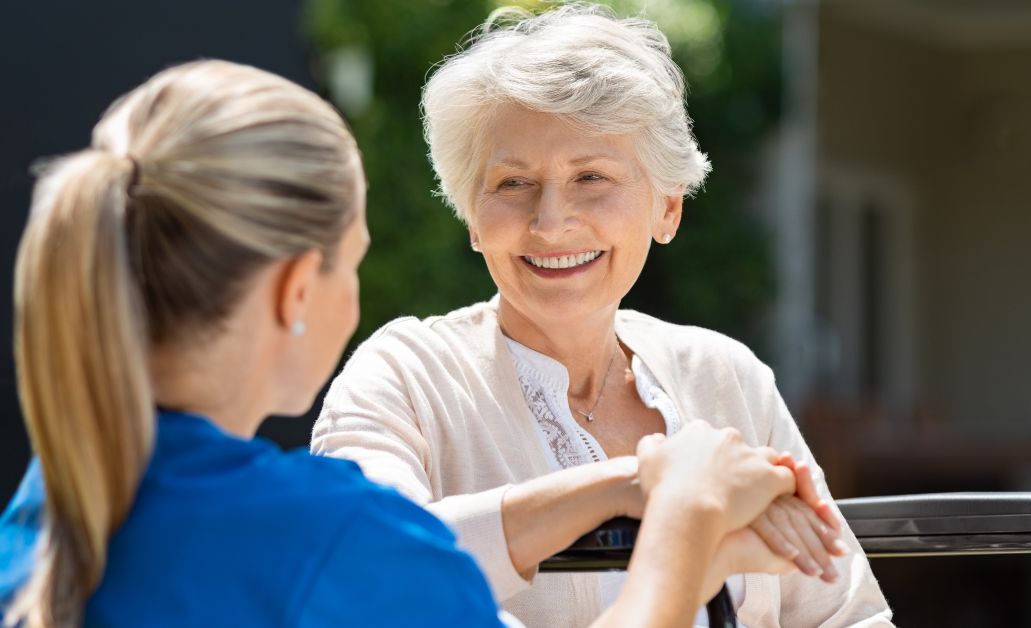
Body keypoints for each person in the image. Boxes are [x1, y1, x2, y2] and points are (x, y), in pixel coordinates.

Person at [0, 59, 808, 627]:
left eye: (592, 177)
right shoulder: (333, 538)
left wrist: (629, 493)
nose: (551, 217)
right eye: (353, 259)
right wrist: (684, 525)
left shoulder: (53, 505)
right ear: (293, 291)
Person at [311, 4, 893, 627]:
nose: (550, 220)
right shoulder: (405, 376)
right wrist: (653, 488)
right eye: (512, 183)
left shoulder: (726, 376)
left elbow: (847, 614)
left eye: (591, 176)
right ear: (472, 217)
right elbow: (360, 564)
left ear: (667, 210)